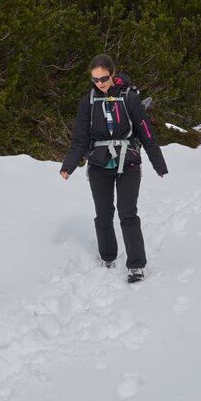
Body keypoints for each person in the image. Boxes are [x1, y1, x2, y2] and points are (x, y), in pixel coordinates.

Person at [60, 55, 168, 283]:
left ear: (113, 74)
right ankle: (108, 256)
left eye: (104, 78)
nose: (99, 83)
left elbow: (146, 133)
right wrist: (69, 165)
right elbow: (80, 138)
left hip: (128, 162)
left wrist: (158, 163)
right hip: (99, 164)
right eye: (95, 79)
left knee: (127, 213)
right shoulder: (86, 102)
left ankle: (136, 265)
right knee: (103, 214)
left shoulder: (130, 98)